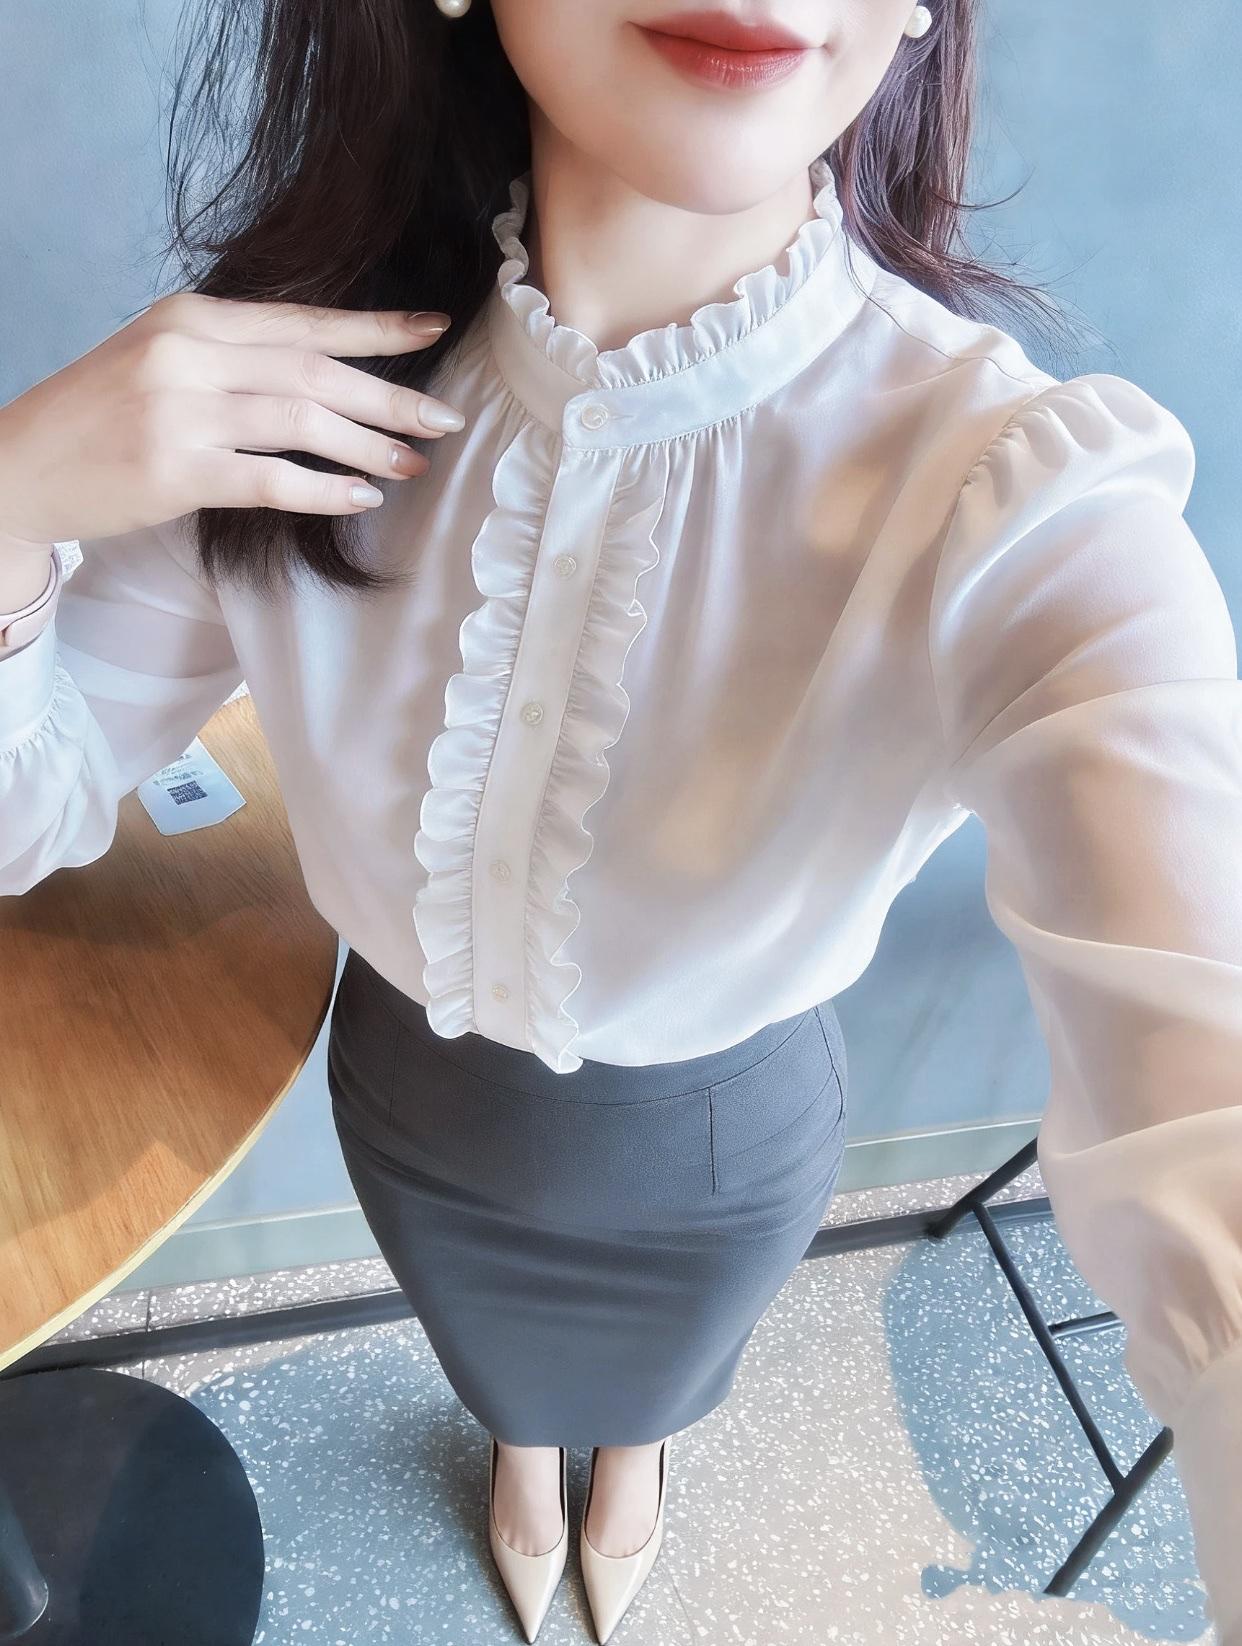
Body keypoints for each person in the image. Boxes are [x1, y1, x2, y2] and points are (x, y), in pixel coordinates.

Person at [1, 0, 1239, 1642]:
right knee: (495, 1362)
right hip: (415, 1102)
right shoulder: (279, 384)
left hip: (710, 1148)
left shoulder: (1011, 493)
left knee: (657, 1373)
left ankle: (634, 1453)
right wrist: (9, 502)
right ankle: (522, 1447)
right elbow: (29, 806)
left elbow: (1206, 1078)